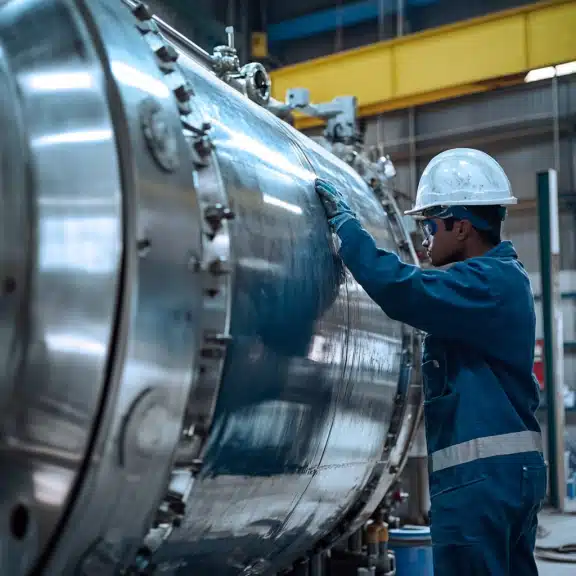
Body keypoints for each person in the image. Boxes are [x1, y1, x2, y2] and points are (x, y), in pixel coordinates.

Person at [315, 148, 547, 575]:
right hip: (505, 475)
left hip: (480, 481)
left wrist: (348, 230)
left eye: (430, 225)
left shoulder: (486, 283)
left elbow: (404, 290)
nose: (424, 238)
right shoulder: (500, 279)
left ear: (460, 227)